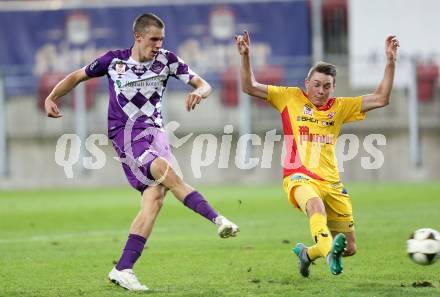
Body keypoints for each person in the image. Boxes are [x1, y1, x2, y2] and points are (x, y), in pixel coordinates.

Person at [45, 13, 239, 291]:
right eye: (153, 39)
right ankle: (217, 219)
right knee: (164, 170)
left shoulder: (168, 61)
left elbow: (203, 83)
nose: (158, 44)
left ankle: (123, 269)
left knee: (155, 200)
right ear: (138, 36)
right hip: (125, 132)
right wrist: (52, 96)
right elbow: (77, 76)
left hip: (156, 134)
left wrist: (201, 93)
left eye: (162, 39)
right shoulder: (114, 61)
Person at [235, 30, 399, 277]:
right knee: (315, 207)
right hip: (298, 175)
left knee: (351, 247)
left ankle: (309, 253)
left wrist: (390, 62)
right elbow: (249, 86)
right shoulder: (288, 97)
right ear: (306, 83)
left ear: (334, 87)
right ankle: (329, 252)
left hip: (332, 182)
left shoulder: (341, 107)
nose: (321, 91)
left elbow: (381, 98)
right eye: (317, 85)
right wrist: (246, 56)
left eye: (327, 86)